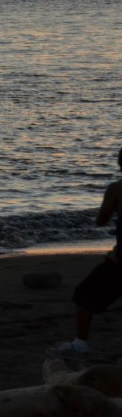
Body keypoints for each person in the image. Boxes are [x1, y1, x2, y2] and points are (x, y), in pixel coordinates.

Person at [49, 146, 122, 357]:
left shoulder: (116, 189)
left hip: (120, 263)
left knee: (83, 297)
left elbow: (101, 220)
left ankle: (80, 344)